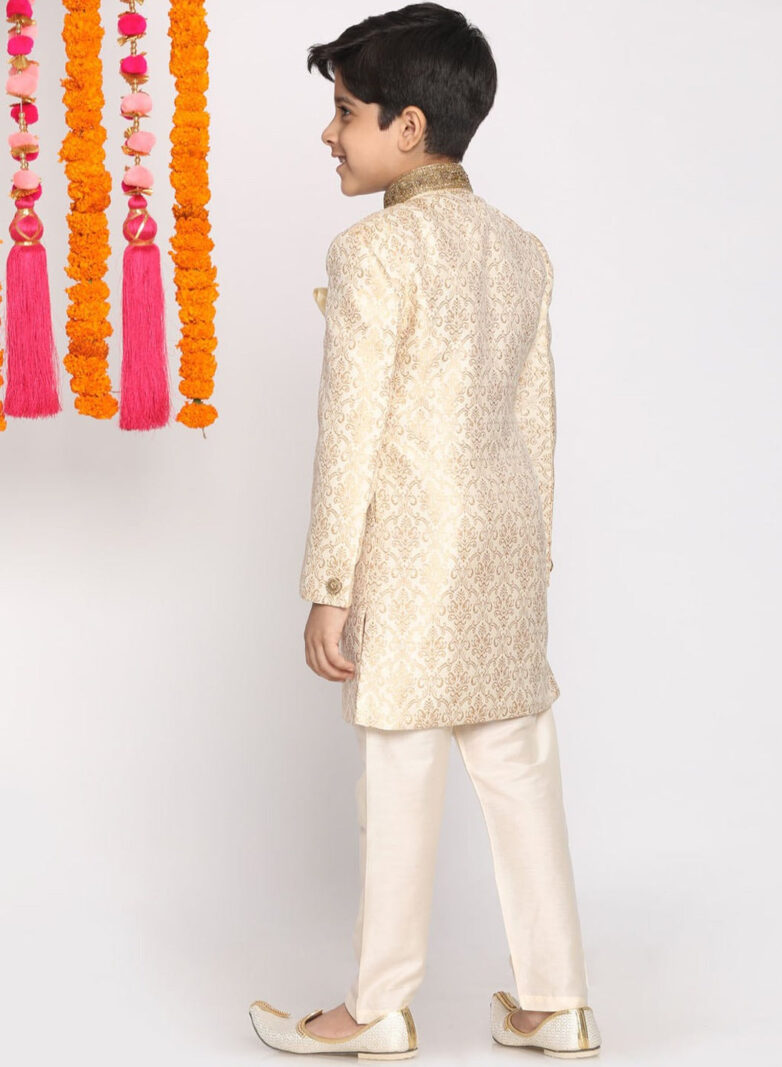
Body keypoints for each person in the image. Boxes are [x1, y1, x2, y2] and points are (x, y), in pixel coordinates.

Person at [249, 3, 602, 1059]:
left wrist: (329, 581)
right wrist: (534, 558)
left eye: (344, 112)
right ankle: (557, 1001)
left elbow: (350, 429)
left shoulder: (374, 250)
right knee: (518, 764)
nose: (328, 134)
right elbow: (537, 423)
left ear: (407, 128)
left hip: (406, 553)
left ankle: (377, 1006)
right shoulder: (522, 251)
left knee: (400, 773)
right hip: (502, 547)